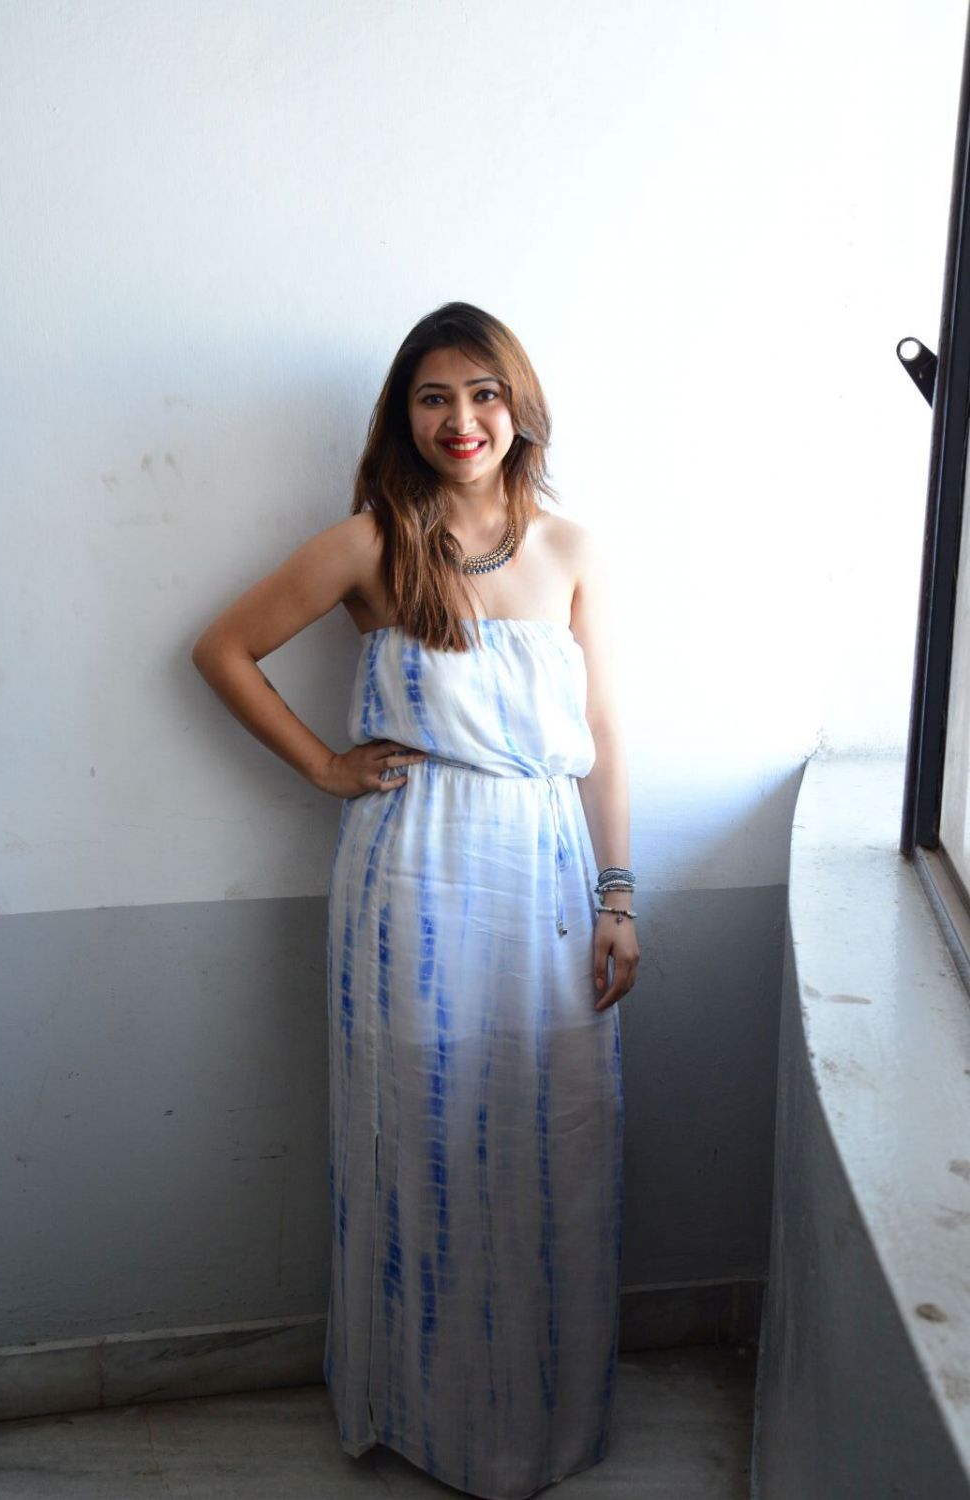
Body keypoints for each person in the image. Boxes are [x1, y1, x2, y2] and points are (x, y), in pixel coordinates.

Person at [191, 301, 640, 1500]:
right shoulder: (369, 543)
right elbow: (222, 649)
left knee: (549, 1136)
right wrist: (325, 767)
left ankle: (534, 1415)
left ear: (519, 406)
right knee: (423, 1138)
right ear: (404, 416)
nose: (461, 420)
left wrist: (617, 894)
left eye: (483, 394)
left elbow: (600, 730)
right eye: (434, 397)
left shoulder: (570, 548)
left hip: (547, 873)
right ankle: (423, 1413)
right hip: (411, 880)